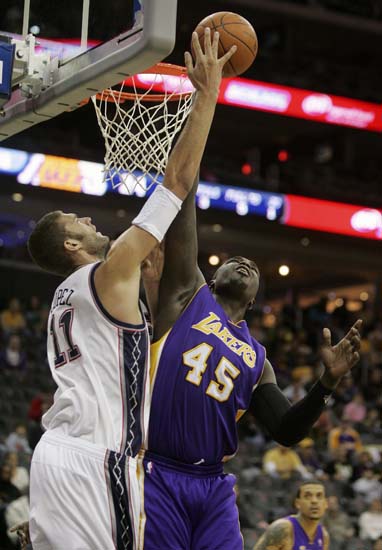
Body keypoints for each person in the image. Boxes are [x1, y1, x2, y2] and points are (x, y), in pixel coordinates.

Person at [25, 28, 236, 550]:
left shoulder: (68, 296)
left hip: (56, 457)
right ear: (72, 244)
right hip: (96, 459)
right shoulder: (110, 270)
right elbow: (178, 182)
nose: (88, 219)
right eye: (78, 219)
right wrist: (206, 96)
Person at [139, 165, 361, 547]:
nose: (247, 264)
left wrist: (327, 382)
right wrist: (188, 167)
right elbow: (183, 212)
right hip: (159, 471)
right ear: (212, 278)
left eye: (255, 269)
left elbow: (287, 431)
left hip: (212, 484)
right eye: (236, 261)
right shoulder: (188, 297)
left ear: (255, 300)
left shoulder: (258, 360)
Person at [253, 481, 329, 550]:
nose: (314, 501)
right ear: (297, 503)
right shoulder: (282, 528)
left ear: (326, 504)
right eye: (308, 496)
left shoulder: (323, 535)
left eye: (319, 496)